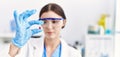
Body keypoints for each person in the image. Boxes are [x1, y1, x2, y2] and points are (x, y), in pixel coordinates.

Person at [8, 3, 82, 57]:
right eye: (44, 22)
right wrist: (16, 44)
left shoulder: (73, 54)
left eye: (54, 21)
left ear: (64, 22)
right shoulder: (28, 46)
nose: (49, 27)